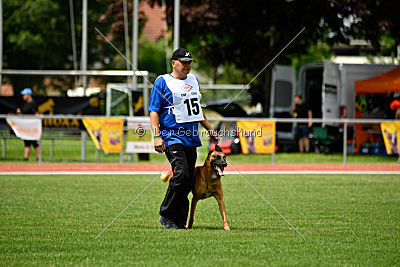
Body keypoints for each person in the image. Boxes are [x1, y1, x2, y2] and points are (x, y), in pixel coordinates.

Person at [149, 48, 219, 229]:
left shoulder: (194, 81)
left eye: (189, 62)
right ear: (174, 63)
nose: (187, 65)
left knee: (187, 180)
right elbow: (154, 111)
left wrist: (210, 129)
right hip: (171, 136)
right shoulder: (162, 81)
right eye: (183, 62)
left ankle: (179, 221)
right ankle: (166, 214)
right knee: (181, 174)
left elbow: (197, 109)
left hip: (191, 136)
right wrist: (156, 136)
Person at [16, 88, 39, 160]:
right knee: (27, 142)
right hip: (26, 126)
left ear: (28, 95)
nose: (23, 96)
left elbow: (36, 114)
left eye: (24, 94)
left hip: (31, 126)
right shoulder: (26, 104)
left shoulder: (33, 103)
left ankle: (39, 157)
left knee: (34, 142)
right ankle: (26, 157)